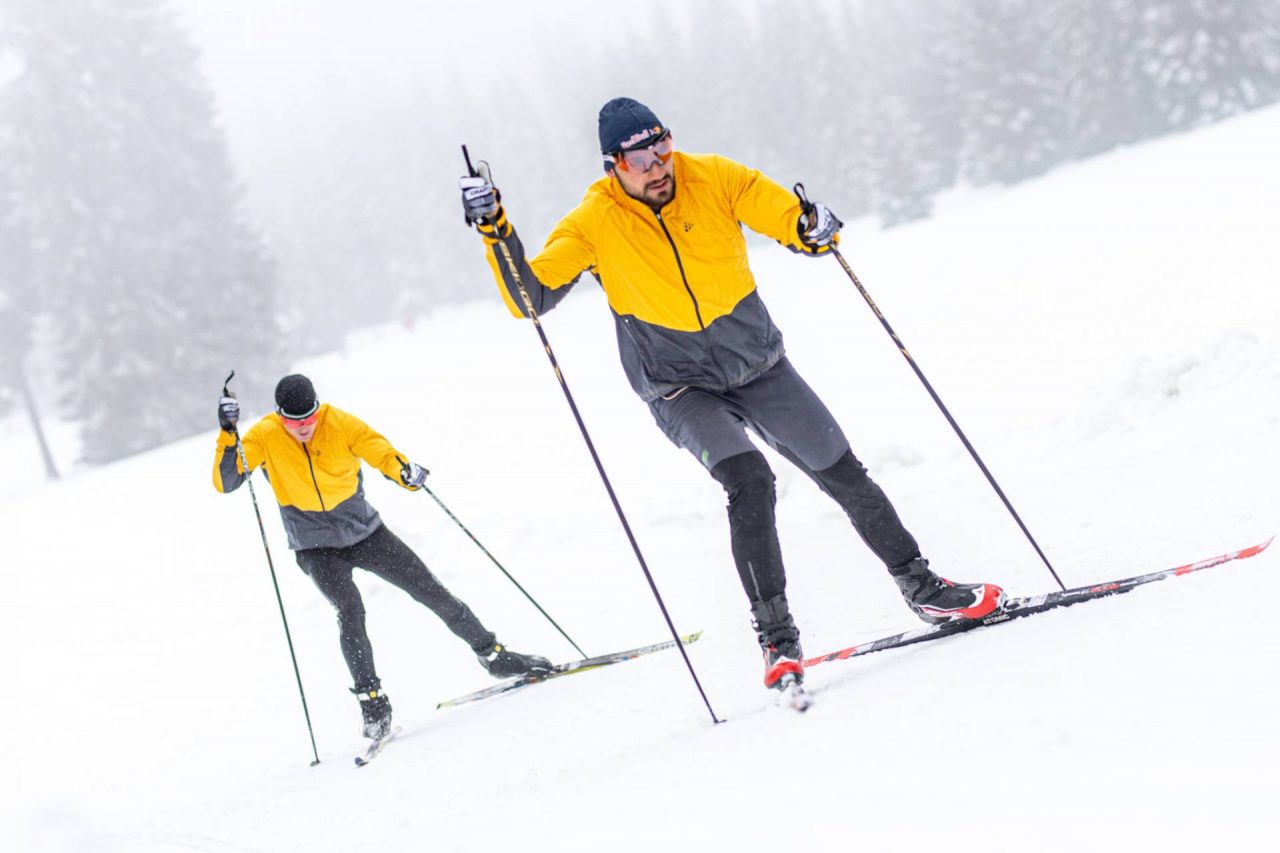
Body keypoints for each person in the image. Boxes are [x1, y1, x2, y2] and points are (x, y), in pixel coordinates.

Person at [458, 97, 1005, 696]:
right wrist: (496, 230)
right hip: (680, 387)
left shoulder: (714, 176)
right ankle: (777, 640)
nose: (659, 163)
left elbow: (782, 215)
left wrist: (811, 226)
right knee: (750, 480)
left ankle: (924, 591)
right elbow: (529, 298)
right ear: (614, 164)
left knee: (843, 471)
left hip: (759, 365)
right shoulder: (593, 221)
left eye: (663, 145)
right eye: (641, 156)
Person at [212, 374, 552, 739]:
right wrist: (228, 434)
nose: (303, 427)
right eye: (294, 422)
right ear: (280, 417)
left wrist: (404, 472)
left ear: (317, 408)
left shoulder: (340, 423)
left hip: (365, 532)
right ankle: (372, 703)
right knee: (350, 610)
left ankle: (494, 655)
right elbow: (227, 481)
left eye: (309, 418)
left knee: (429, 589)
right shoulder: (263, 435)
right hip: (315, 546)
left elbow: (379, 450)